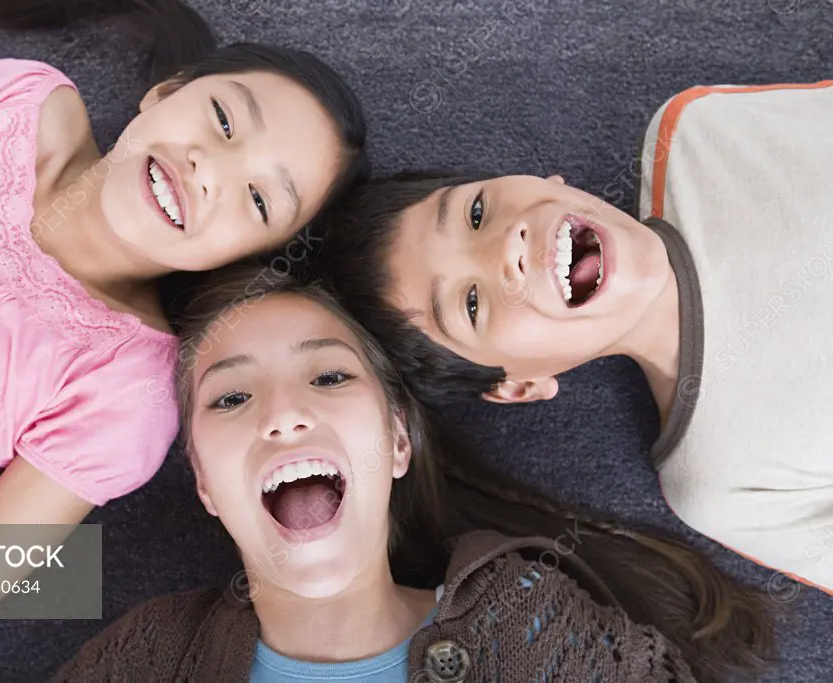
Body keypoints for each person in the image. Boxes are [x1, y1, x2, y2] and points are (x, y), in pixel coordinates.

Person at [0, 0, 366, 631]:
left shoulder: (125, 389)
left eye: (260, 199)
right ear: (164, 93)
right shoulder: (18, 102)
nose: (210, 168)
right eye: (223, 119)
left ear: (248, 255)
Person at [48, 262, 775, 683]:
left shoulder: (523, 618)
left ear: (398, 441)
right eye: (233, 397)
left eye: (329, 376)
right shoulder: (149, 654)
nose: (284, 415)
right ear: (205, 482)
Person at [316, 81, 833, 594]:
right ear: (520, 386)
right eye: (470, 304)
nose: (509, 250)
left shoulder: (697, 133)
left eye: (476, 214)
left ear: (548, 180)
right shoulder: (720, 481)